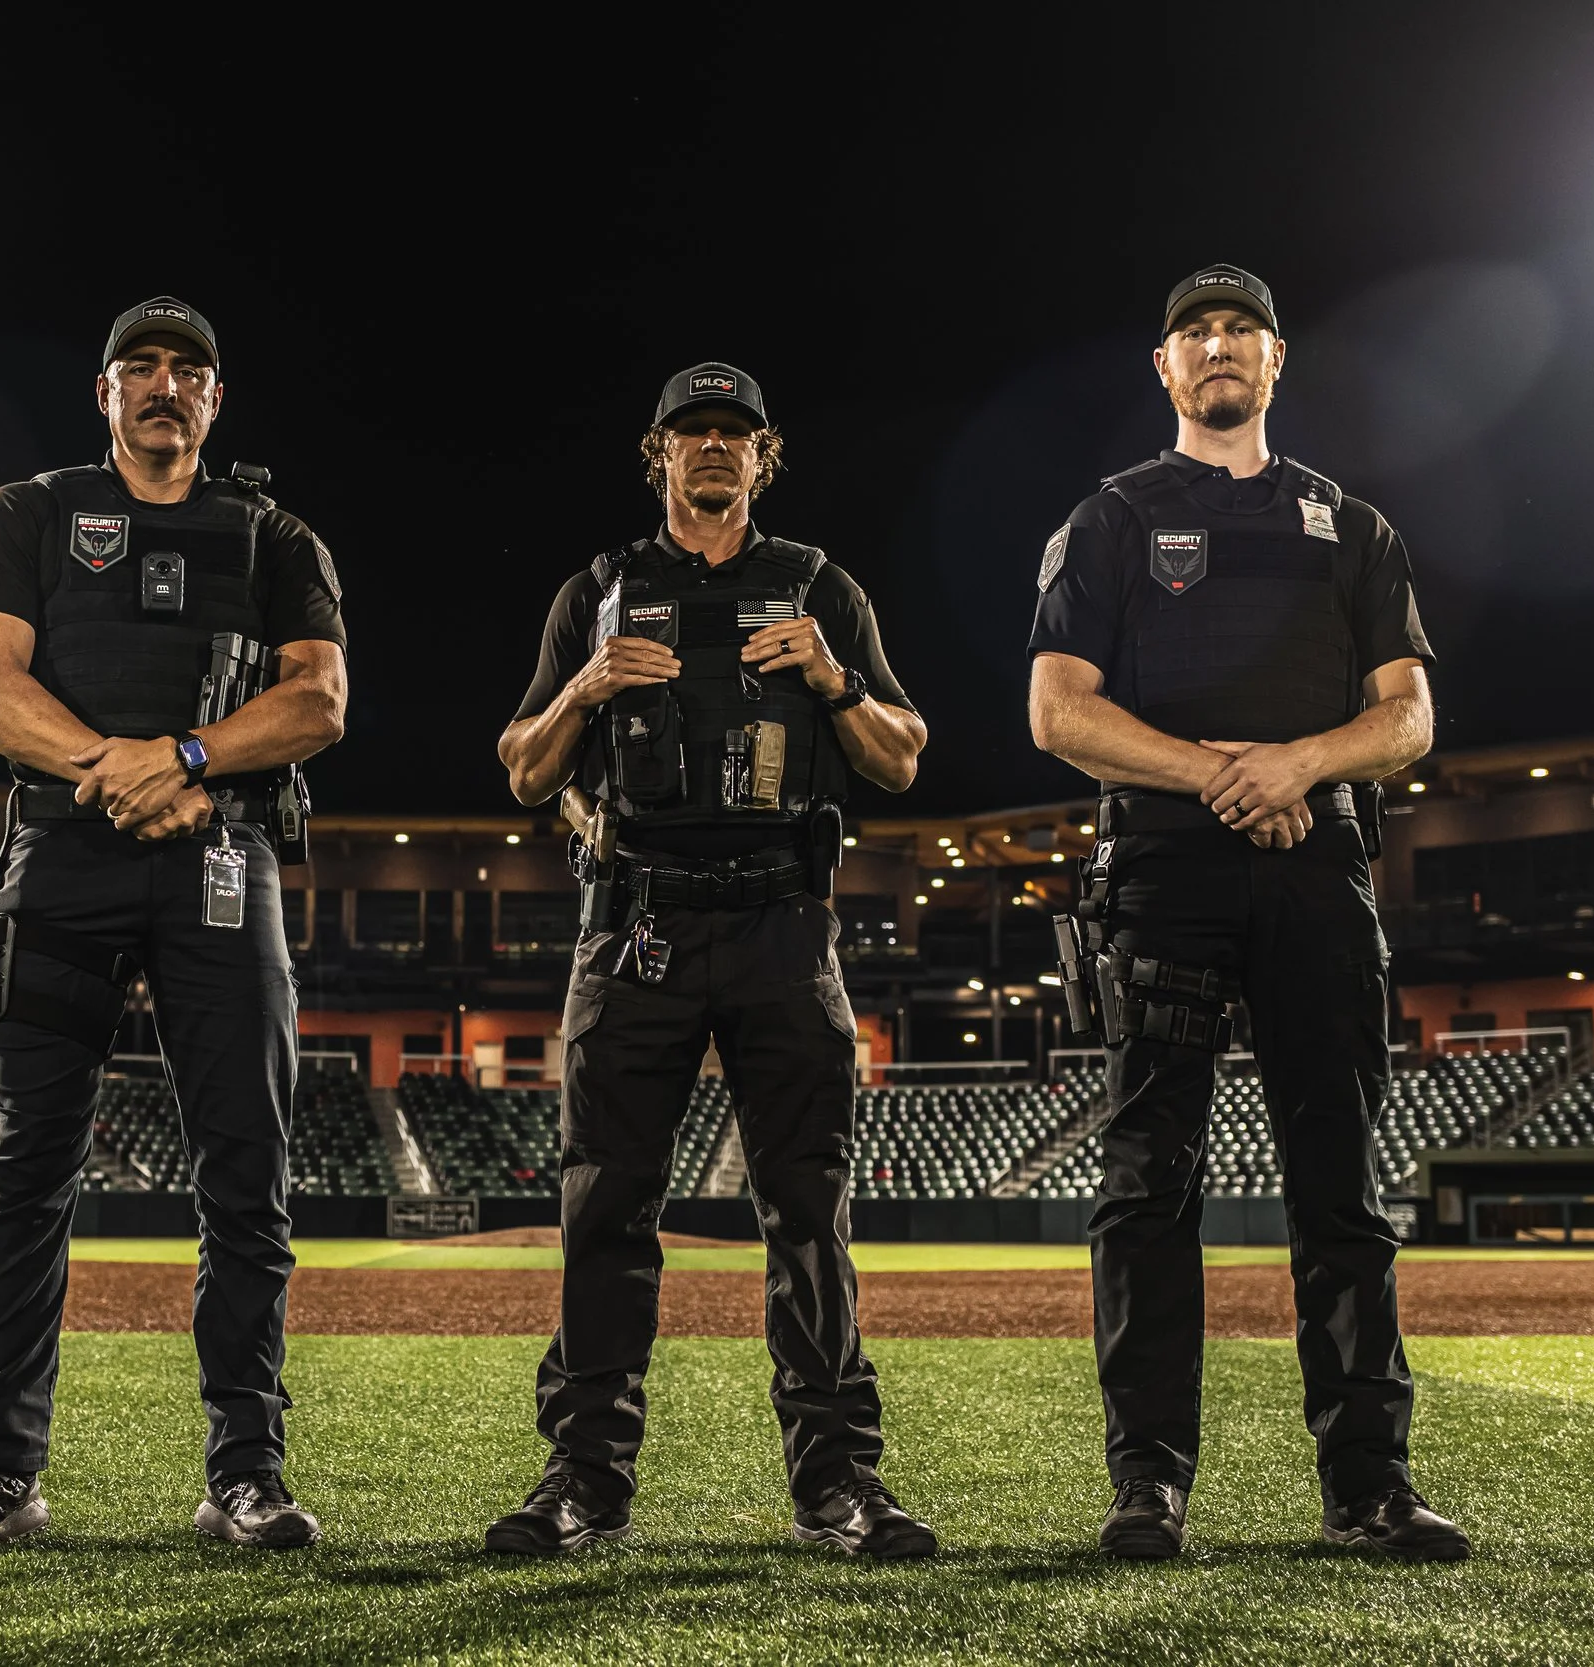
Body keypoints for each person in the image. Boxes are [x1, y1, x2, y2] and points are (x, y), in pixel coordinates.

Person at [1027, 265, 1469, 1563]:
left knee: (1342, 1191)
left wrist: (1302, 764)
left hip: (1319, 875)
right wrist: (1233, 775)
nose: (1218, 347)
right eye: (1194, 332)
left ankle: (1369, 1484)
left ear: (1278, 362)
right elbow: (1059, 712)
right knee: (1148, 1188)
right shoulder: (1109, 518)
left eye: (1242, 330)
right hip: (1161, 875)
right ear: (1163, 370)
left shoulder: (1354, 526)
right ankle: (1149, 1484)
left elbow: (1410, 715)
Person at [0, 296, 349, 1553]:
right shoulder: (28, 511)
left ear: (216, 401)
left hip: (225, 853)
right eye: (139, 367)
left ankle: (246, 1473)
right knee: (26, 1171)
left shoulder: (274, 533)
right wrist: (120, 768)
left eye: (189, 371)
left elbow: (317, 701)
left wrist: (188, 754)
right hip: (61, 854)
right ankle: (0, 1473)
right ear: (104, 394)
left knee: (245, 1176)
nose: (165, 385)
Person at [488, 362, 936, 1558]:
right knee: (604, 1208)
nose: (713, 450)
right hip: (633, 921)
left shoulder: (818, 586)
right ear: (659, 455)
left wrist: (832, 678)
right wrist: (584, 685)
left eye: (734, 433)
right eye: (692, 432)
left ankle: (836, 1481)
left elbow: (900, 758)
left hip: (785, 922)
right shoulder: (595, 590)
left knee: (807, 1213)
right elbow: (526, 769)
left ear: (764, 455)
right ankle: (584, 1479)